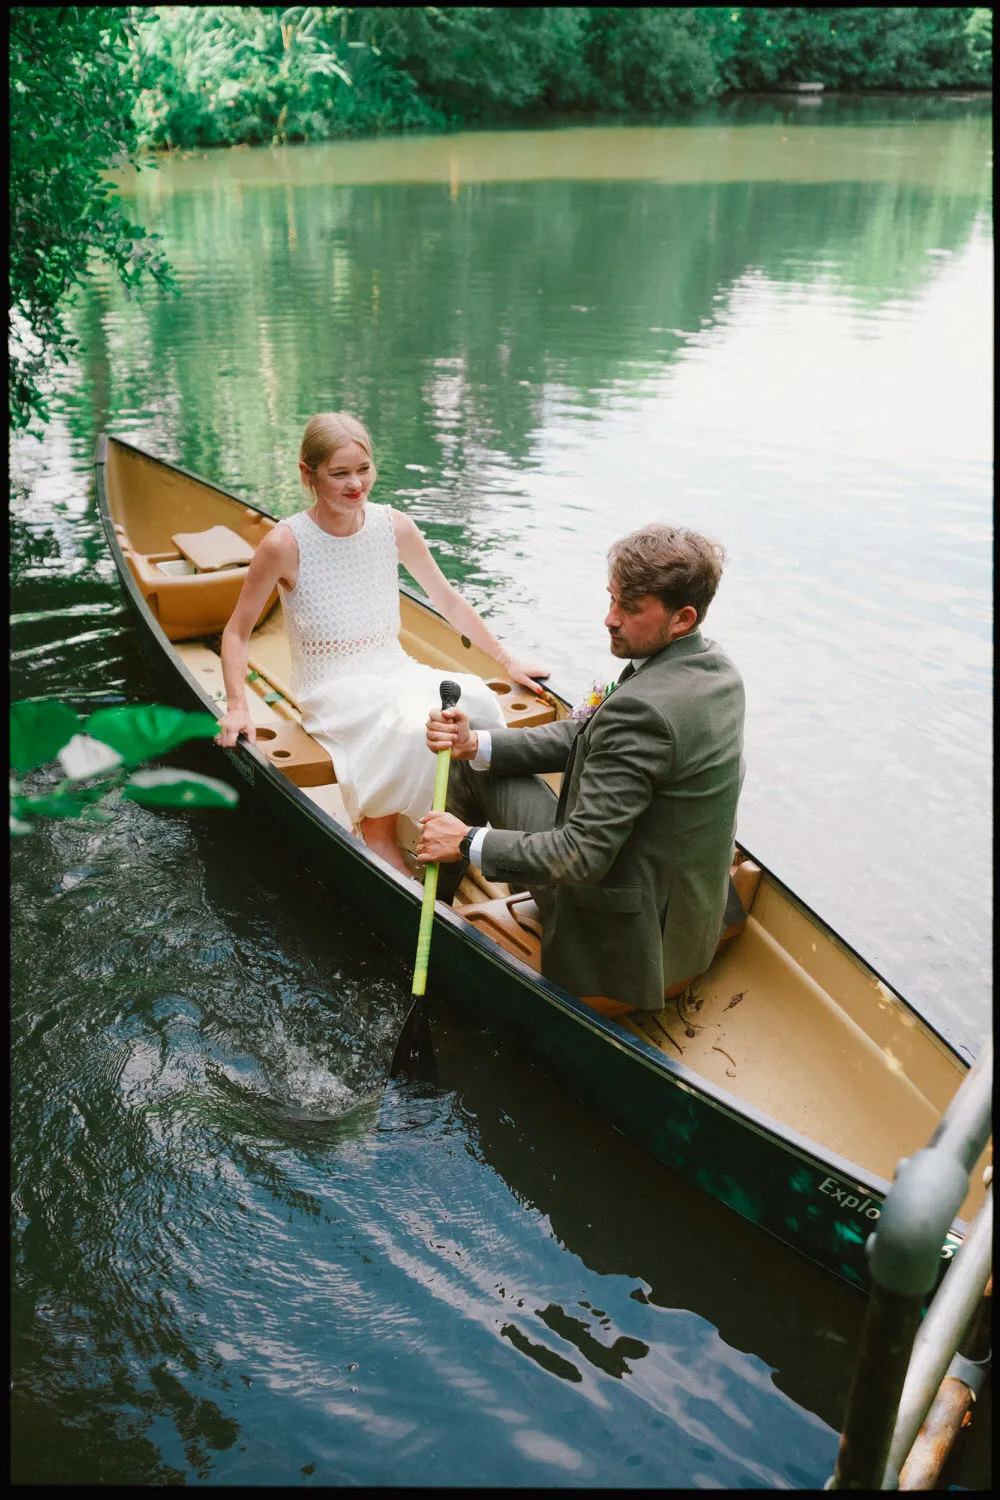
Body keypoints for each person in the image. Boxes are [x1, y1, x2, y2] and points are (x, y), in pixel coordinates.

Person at [418, 523, 746, 1018]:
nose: (610, 619)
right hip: (686, 920)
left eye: (630, 609)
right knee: (480, 742)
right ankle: (436, 891)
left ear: (683, 617)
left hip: (623, 945)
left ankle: (424, 913)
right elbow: (584, 735)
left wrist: (464, 840)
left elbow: (579, 858)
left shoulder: (646, 713)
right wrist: (473, 744)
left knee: (468, 791)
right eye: (612, 599)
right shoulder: (713, 668)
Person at [216, 412, 548, 874]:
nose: (356, 485)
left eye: (363, 469)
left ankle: (470, 828)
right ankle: (378, 833)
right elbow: (236, 631)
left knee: (477, 701)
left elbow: (446, 599)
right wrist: (238, 706)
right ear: (307, 474)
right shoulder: (285, 544)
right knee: (411, 727)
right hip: (333, 689)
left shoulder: (393, 526)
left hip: (395, 668)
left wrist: (506, 660)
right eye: (340, 473)